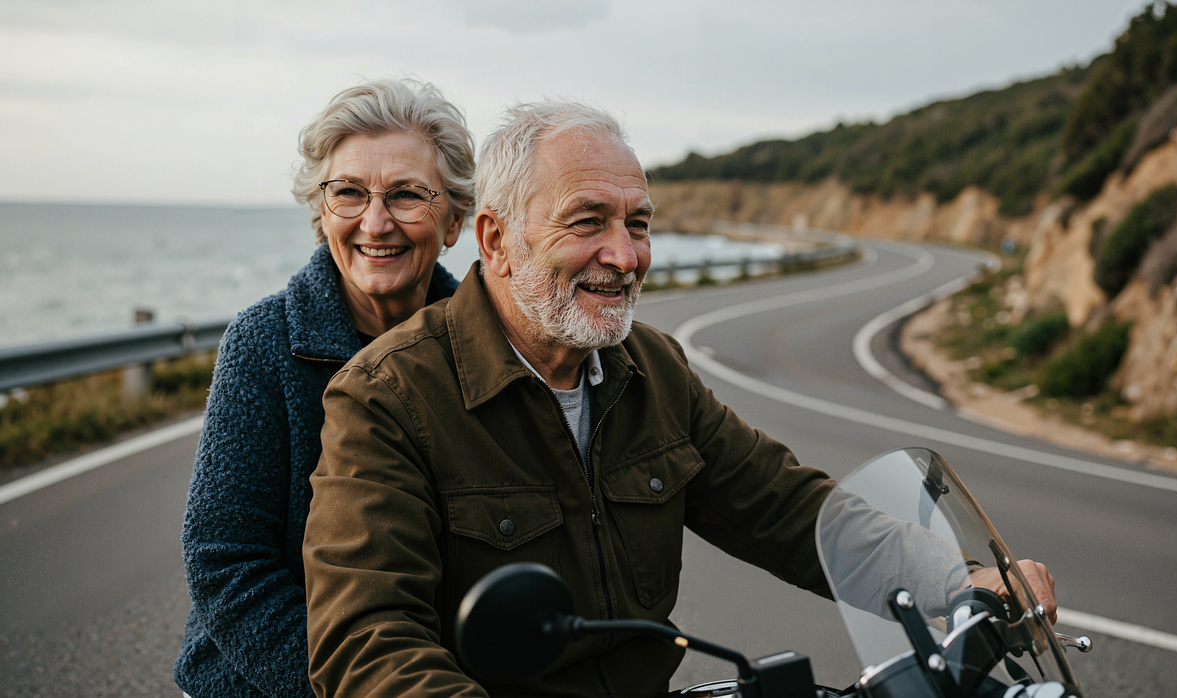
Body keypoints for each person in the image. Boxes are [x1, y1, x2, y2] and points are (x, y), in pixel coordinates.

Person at [302, 100, 1056, 698]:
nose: (625, 257)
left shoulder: (649, 368)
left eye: (638, 224)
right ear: (497, 240)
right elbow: (369, 640)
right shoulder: (388, 396)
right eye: (588, 221)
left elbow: (789, 509)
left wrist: (958, 579)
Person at [174, 78, 475, 698]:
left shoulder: (483, 351)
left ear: (455, 220)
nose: (376, 221)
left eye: (407, 195)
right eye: (349, 194)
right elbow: (225, 560)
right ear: (321, 213)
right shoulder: (264, 342)